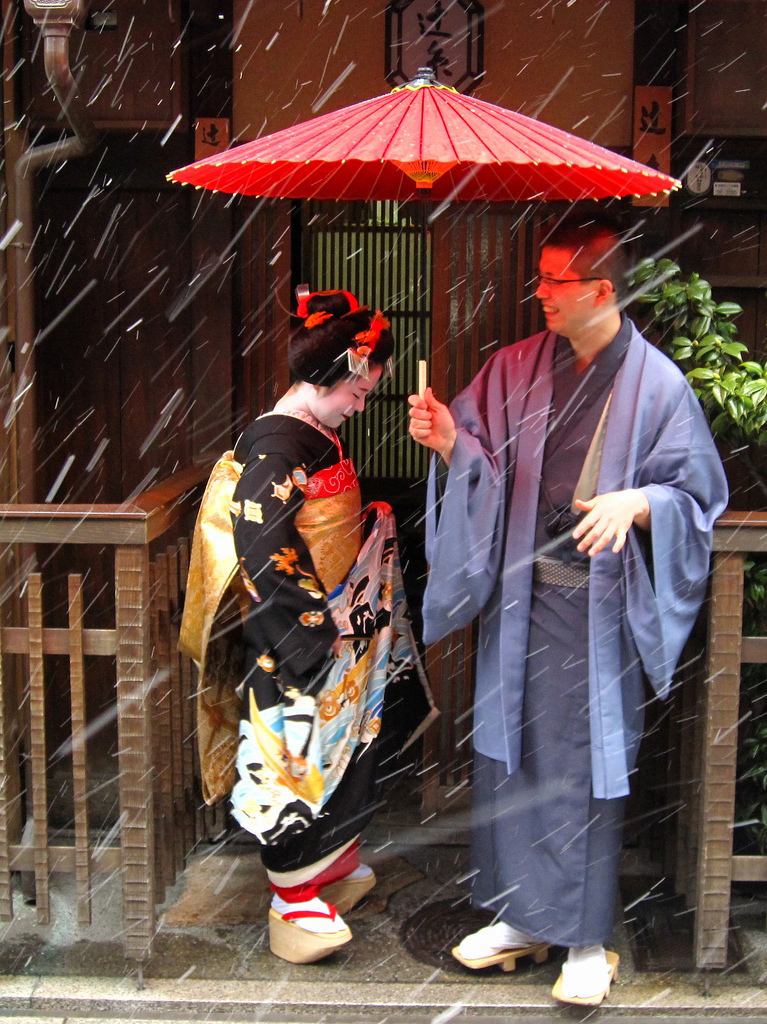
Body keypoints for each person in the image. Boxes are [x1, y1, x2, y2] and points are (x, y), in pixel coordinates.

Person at [408, 215, 728, 1006]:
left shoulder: (657, 384)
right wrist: (449, 441)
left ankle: (584, 938)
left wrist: (639, 502)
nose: (540, 295)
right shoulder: (514, 367)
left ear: (600, 289)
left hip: (597, 613)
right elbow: (478, 461)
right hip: (519, 604)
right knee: (507, 757)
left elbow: (696, 498)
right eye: (542, 279)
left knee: (582, 769)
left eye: (555, 282)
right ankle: (520, 919)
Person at [181, 288, 434, 965]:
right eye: (360, 390)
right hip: (293, 629)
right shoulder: (272, 440)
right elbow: (262, 537)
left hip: (332, 619)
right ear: (341, 373)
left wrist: (367, 521)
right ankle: (291, 895)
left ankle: (330, 867)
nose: (361, 402)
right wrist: (309, 624)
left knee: (348, 744)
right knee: (293, 753)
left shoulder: (311, 433)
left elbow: (323, 519)